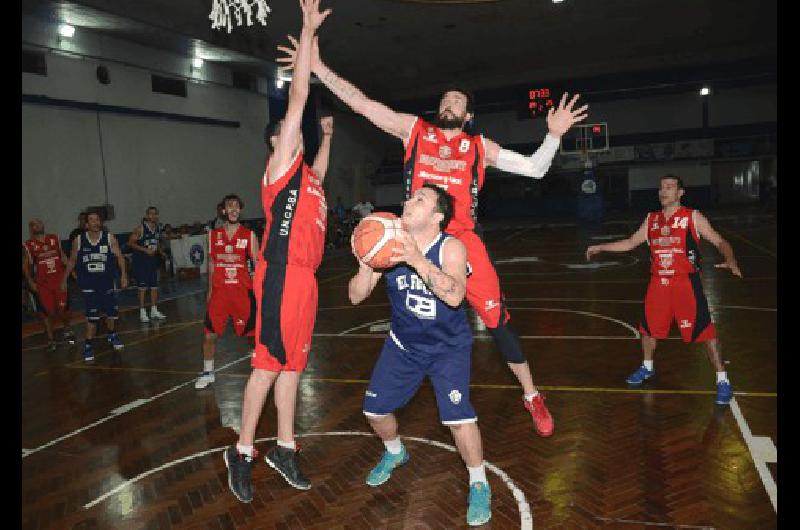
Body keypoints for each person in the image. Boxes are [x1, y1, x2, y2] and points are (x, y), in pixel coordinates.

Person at [276, 38, 589, 437]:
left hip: (462, 240)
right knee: (395, 303)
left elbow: (534, 168)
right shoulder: (415, 131)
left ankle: (530, 394)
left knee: (497, 321)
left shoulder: (478, 146)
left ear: (468, 114)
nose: (449, 104)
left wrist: (553, 136)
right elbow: (362, 104)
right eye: (445, 99)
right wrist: (318, 69)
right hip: (413, 233)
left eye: (457, 101)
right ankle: (402, 376)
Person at [224, 0, 333, 504]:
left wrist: (328, 138)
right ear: (278, 144)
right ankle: (242, 451)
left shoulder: (308, 179)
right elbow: (301, 95)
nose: (299, 140)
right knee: (267, 366)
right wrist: (308, 32)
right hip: (280, 276)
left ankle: (284, 447)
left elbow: (322, 172)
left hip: (307, 281)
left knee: (293, 367)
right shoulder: (280, 168)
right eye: (291, 137)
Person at [349, 184, 491, 526]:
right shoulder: (389, 245)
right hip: (404, 345)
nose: (408, 203)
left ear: (437, 216)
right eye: (410, 198)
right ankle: (395, 452)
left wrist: (416, 259)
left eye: (419, 200)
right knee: (375, 410)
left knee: (458, 419)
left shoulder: (451, 247)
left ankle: (479, 482)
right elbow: (355, 297)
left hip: (447, 349)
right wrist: (366, 263)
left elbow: (455, 297)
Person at [586, 175, 742, 405]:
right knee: (648, 329)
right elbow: (630, 242)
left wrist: (730, 260)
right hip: (658, 283)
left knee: (706, 333)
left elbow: (720, 242)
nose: (664, 191)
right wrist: (601, 246)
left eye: (670, 187)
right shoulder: (652, 219)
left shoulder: (692, 216)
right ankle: (647, 367)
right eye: (661, 187)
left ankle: (722, 380)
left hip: (686, 284)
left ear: (680, 193)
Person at [195, 194, 259, 389]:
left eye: (237, 206)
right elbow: (212, 263)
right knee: (209, 335)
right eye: (230, 206)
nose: (233, 209)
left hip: (242, 292)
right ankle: (208, 372)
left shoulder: (249, 235)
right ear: (223, 210)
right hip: (220, 293)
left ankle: (260, 370)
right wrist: (209, 291)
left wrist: (259, 293)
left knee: (252, 335)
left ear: (240, 210)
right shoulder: (213, 235)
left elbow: (257, 267)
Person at [62, 211, 128, 361]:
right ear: (86, 224)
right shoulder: (78, 240)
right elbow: (71, 261)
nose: (95, 222)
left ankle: (112, 335)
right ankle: (88, 345)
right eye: (92, 220)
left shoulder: (109, 237)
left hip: (107, 282)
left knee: (111, 314)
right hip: (89, 284)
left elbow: (120, 257)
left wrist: (124, 275)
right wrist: (64, 280)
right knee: (92, 317)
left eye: (97, 219)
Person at [22, 218, 76, 350]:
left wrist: (72, 272)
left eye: (39, 223)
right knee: (46, 313)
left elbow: (63, 256)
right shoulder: (28, 245)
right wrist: (30, 282)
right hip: (42, 284)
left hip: (59, 281)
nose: (37, 226)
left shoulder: (54, 238)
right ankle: (51, 339)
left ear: (43, 225)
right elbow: (25, 266)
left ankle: (67, 329)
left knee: (64, 310)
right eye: (34, 224)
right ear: (31, 229)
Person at [128, 206, 167, 323]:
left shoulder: (157, 229)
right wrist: (145, 250)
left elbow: (156, 242)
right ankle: (142, 311)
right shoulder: (140, 229)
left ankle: (154, 310)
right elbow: (130, 242)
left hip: (152, 262)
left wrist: (161, 251)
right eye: (151, 214)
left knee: (154, 286)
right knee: (142, 287)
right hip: (141, 262)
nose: (153, 216)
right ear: (146, 215)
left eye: (155, 214)